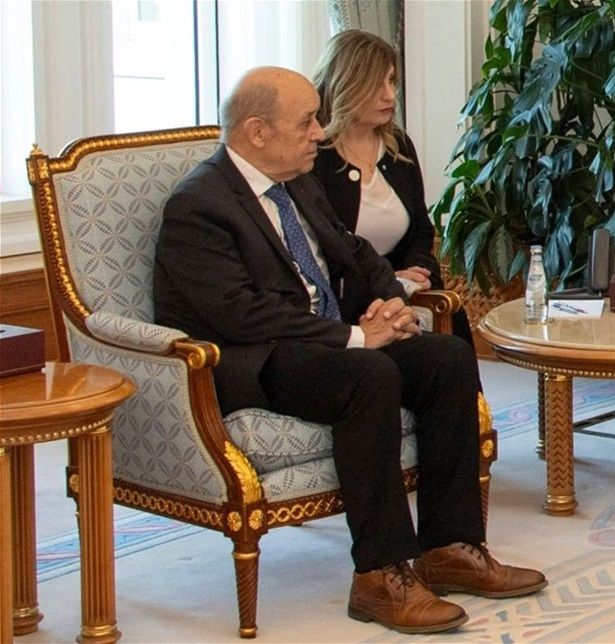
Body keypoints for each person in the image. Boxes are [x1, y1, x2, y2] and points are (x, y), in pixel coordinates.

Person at [154, 66, 545, 634]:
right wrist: (357, 337)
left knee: (446, 358)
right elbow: (238, 314)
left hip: (320, 342)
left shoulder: (296, 181)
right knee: (369, 373)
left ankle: (449, 547)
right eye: (306, 122)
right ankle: (380, 575)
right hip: (254, 359)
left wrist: (392, 304)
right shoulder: (199, 205)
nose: (320, 132)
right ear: (257, 131)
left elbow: (355, 251)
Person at [309, 30, 475, 345]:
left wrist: (418, 272)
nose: (389, 95)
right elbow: (322, 247)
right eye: (377, 85)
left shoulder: (398, 146)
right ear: (347, 85)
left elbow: (420, 230)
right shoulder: (313, 156)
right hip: (347, 300)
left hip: (401, 287)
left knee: (454, 322)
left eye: (391, 81)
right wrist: (388, 278)